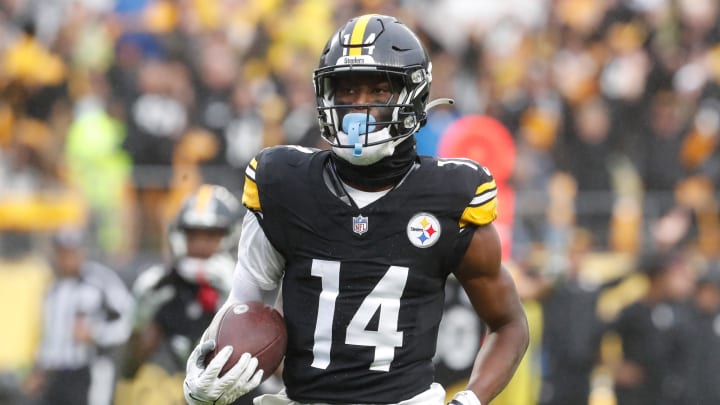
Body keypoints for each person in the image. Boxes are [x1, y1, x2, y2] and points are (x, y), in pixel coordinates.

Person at [183, 14, 529, 405]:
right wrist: (207, 369)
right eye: (346, 91)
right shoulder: (284, 183)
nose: (358, 108)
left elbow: (508, 323)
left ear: (412, 95)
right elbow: (246, 305)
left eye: (377, 91)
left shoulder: (450, 194)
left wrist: (472, 399)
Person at [116, 184, 244, 404]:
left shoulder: (254, 287)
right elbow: (130, 369)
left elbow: (276, 369)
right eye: (192, 235)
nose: (199, 245)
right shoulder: (167, 288)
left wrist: (235, 299)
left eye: (210, 235)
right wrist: (139, 317)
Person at [23, 227, 134, 405]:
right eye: (63, 253)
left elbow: (131, 319)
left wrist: (97, 333)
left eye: (72, 252)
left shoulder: (100, 280)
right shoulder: (52, 288)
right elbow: (49, 336)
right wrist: (40, 370)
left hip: (90, 370)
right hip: (55, 375)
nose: (68, 259)